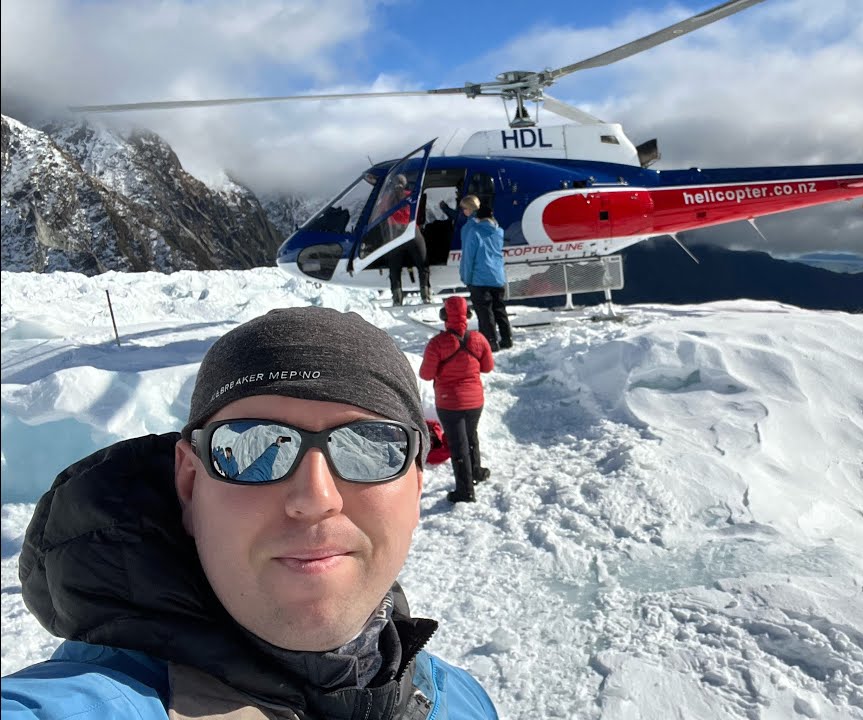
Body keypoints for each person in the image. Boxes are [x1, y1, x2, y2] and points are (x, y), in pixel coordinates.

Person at [1, 307, 499, 719]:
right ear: (190, 485)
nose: (315, 498)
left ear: (416, 484)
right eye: (250, 446)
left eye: (369, 446)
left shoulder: (461, 701)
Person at [419, 296, 494, 504]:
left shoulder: (437, 344)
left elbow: (426, 374)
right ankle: (476, 471)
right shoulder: (478, 339)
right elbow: (487, 367)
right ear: (468, 315)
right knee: (471, 435)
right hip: (475, 401)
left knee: (458, 444)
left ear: (444, 316)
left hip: (449, 402)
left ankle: (465, 491)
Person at [459, 197, 513, 351]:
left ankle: (490, 342)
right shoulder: (499, 232)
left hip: (479, 278)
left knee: (485, 312)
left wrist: (466, 278)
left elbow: (468, 258)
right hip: (497, 277)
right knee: (499, 309)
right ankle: (507, 339)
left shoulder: (474, 232)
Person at [386, 175, 430, 306]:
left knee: (394, 267)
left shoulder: (387, 198)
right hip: (412, 231)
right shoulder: (411, 195)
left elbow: (381, 213)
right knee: (423, 264)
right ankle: (425, 295)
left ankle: (397, 297)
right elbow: (419, 215)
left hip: (395, 234)